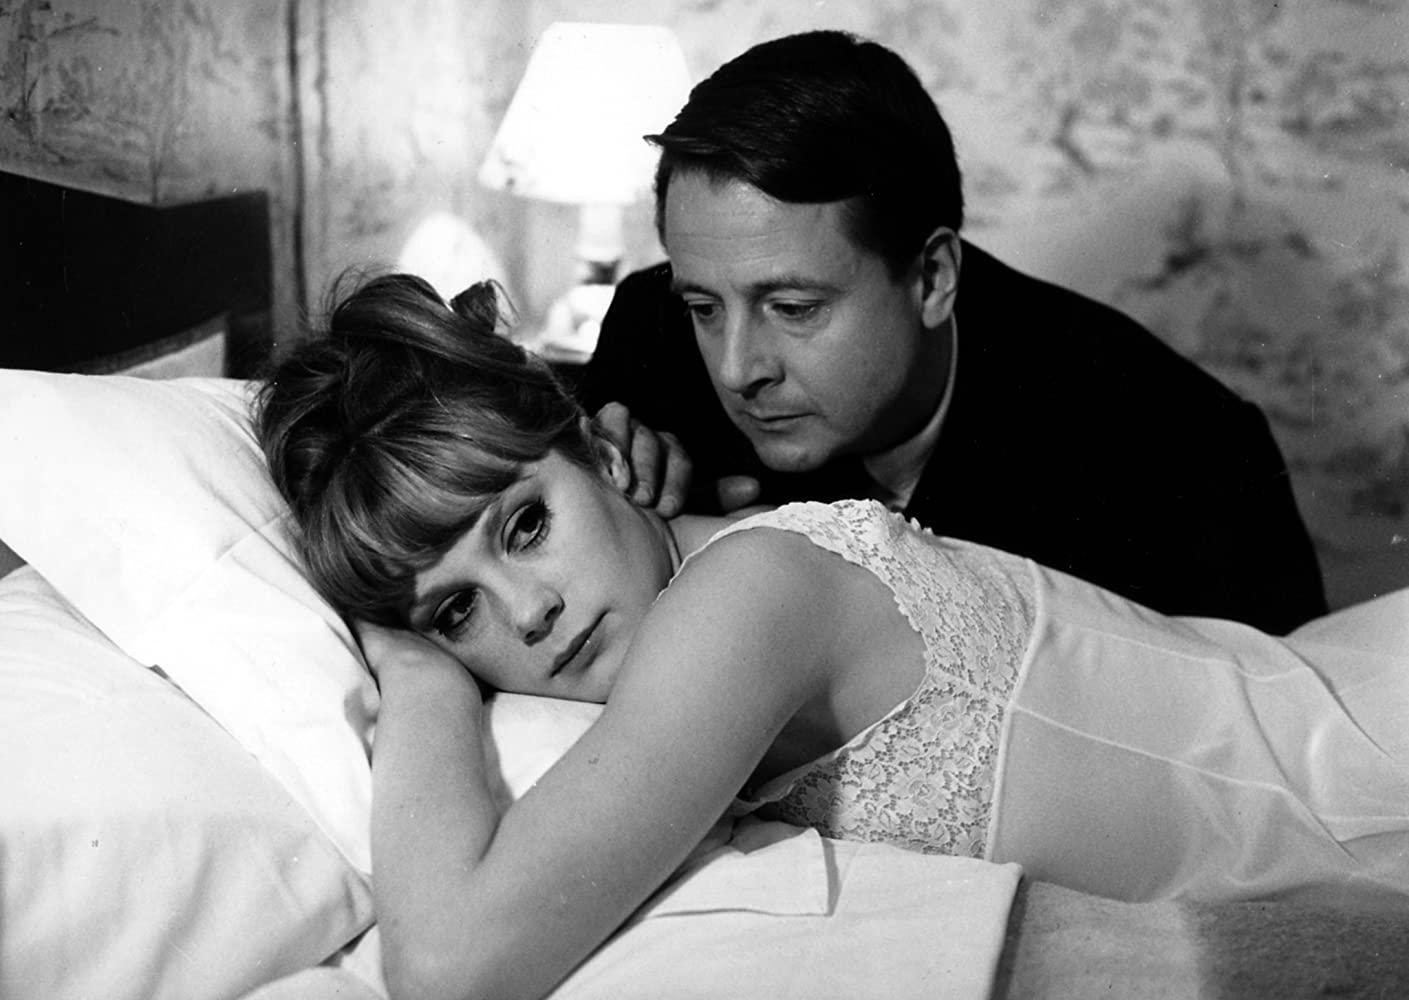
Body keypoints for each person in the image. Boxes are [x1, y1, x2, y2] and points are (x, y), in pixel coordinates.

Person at [258, 273, 1408, 1000]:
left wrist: (416, 671)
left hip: (1346, 784)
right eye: (455, 608)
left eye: (523, 526)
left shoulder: (743, 598)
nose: (527, 612)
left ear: (601, 453)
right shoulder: (710, 575)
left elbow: (450, 967)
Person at [578, 29, 1327, 635]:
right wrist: (610, 499)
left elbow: (1270, 747)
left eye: (794, 308)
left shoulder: (1187, 453)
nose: (737, 369)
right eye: (705, 308)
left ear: (932, 278)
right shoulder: (651, 335)